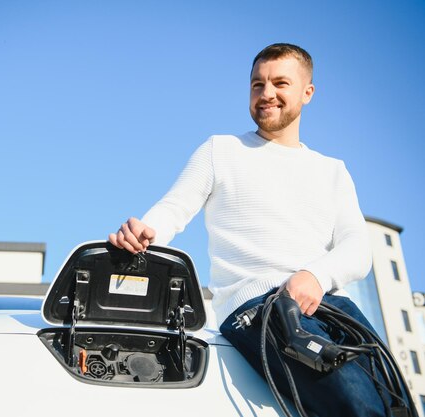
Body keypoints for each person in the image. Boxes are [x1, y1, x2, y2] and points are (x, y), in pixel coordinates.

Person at [108, 43, 385, 416]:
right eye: (257, 84)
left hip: (336, 307)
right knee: (357, 406)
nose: (266, 94)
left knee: (392, 402)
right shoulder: (221, 150)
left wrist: (315, 276)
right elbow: (174, 208)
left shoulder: (333, 170)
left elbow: (357, 249)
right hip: (260, 309)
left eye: (280, 83)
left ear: (307, 92)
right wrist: (146, 231)